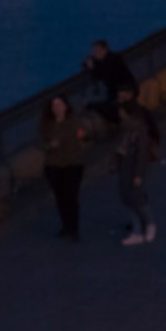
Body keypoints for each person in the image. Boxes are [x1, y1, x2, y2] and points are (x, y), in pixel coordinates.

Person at [38, 94, 88, 241]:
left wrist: (84, 134)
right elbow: (40, 143)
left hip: (73, 164)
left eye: (60, 104)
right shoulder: (46, 124)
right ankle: (66, 226)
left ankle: (74, 228)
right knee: (60, 197)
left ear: (66, 106)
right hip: (53, 165)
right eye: (54, 105)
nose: (57, 108)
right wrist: (49, 145)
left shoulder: (74, 121)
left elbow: (85, 134)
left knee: (71, 196)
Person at [115, 91, 160, 246]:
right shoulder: (124, 129)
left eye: (121, 112)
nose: (119, 115)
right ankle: (136, 231)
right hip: (124, 168)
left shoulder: (138, 130)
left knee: (138, 201)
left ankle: (150, 224)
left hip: (134, 169)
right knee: (128, 200)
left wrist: (139, 174)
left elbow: (142, 153)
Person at [82, 41, 138, 125]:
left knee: (110, 106)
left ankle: (127, 123)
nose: (95, 54)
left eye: (97, 51)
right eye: (94, 52)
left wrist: (93, 69)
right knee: (93, 105)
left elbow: (108, 78)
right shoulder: (102, 62)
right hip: (115, 92)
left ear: (105, 50)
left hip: (125, 89)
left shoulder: (113, 59)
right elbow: (96, 74)